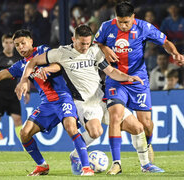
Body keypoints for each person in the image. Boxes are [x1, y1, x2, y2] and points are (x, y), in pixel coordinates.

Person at [15, 25, 164, 175]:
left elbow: (111, 71)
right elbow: (32, 62)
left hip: (101, 100)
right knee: (95, 132)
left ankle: (146, 165)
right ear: (74, 39)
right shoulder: (62, 52)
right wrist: (24, 80)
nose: (85, 47)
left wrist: (128, 78)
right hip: (84, 103)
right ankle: (75, 155)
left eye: (88, 43)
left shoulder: (94, 51)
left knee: (137, 128)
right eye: (82, 43)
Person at [0, 29, 94, 176]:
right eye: (17, 45)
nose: (20, 47)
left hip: (63, 97)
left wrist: (47, 70)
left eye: (23, 43)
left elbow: (60, 64)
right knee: (25, 133)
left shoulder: (43, 50)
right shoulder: (21, 65)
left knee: (71, 128)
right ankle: (42, 165)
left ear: (31, 41)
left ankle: (86, 168)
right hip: (46, 104)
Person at [93, 1, 184, 174]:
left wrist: (175, 54)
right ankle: (117, 163)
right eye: (120, 22)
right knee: (115, 116)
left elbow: (165, 41)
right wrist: (104, 48)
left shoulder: (144, 27)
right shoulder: (106, 27)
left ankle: (146, 148)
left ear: (133, 17)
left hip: (138, 82)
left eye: (127, 22)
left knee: (146, 124)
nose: (124, 25)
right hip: (115, 79)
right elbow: (95, 44)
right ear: (116, 18)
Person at [0, 33, 28, 151]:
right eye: (6, 43)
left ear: (14, 45)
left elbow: (25, 75)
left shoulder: (18, 59)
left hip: (13, 94)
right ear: (3, 43)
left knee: (18, 120)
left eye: (11, 43)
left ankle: (25, 147)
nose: (8, 45)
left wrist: (27, 91)